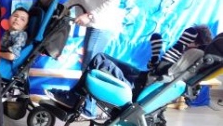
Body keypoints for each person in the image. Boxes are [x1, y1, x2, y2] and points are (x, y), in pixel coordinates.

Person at [46, 24, 213, 111]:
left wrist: (179, 46)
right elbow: (161, 70)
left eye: (188, 42)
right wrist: (156, 57)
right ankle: (76, 97)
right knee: (100, 57)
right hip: (143, 78)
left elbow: (164, 73)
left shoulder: (193, 54)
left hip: (138, 87)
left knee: (98, 61)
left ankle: (75, 98)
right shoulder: (193, 58)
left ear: (195, 43)